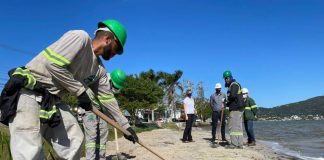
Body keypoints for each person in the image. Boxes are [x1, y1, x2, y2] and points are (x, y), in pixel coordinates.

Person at [0, 19, 138, 159]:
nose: (117, 53)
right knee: (29, 152)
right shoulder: (80, 38)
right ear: (108, 39)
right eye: (118, 48)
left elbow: (107, 98)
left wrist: (125, 127)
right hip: (29, 92)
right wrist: (79, 91)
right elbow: (52, 64)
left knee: (75, 140)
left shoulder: (99, 70)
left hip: (52, 100)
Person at [223, 70, 244, 149]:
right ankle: (239, 144)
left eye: (227, 78)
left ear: (231, 77)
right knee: (238, 127)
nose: (226, 80)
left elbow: (233, 96)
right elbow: (233, 97)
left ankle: (234, 144)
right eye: (225, 78)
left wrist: (226, 101)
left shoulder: (233, 84)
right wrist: (228, 103)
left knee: (233, 127)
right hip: (238, 108)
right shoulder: (234, 85)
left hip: (235, 109)